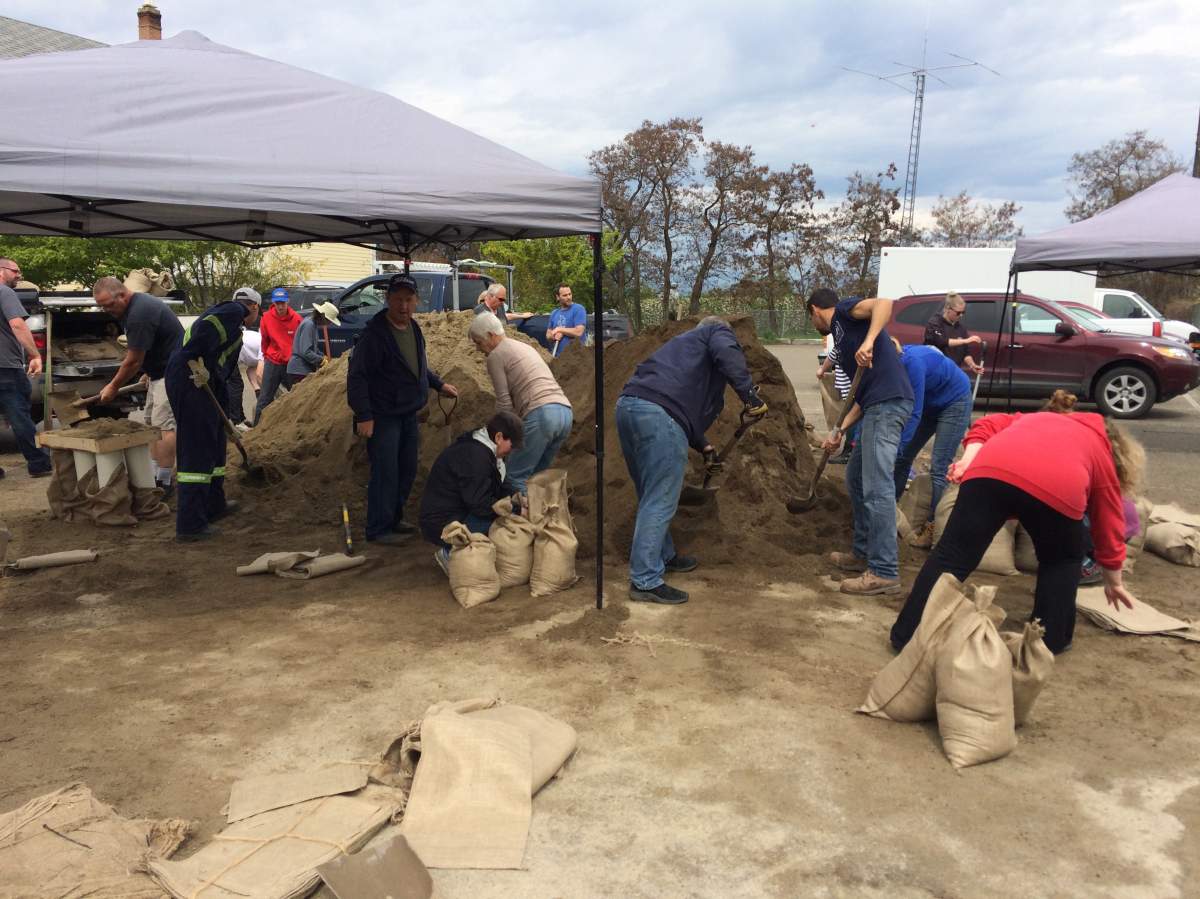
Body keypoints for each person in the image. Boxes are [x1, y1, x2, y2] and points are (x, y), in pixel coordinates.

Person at [890, 390, 1144, 655]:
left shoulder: (1031, 419)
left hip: (987, 473)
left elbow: (985, 424)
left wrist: (969, 457)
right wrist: (1113, 580)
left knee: (950, 557)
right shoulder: (1099, 445)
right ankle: (1048, 642)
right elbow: (1109, 523)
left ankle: (905, 635)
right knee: (1061, 561)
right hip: (1057, 489)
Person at [617, 316, 767, 604]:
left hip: (629, 407)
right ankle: (645, 580)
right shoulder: (716, 331)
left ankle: (664, 555)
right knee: (660, 498)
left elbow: (680, 403)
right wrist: (751, 397)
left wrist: (704, 445)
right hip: (659, 414)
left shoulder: (682, 354)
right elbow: (725, 352)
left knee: (650, 493)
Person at [807, 288, 914, 596]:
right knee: (855, 478)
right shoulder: (841, 337)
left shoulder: (843, 311)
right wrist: (839, 429)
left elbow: (884, 303)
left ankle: (884, 570)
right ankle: (863, 551)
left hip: (889, 403)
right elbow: (861, 398)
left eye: (812, 319)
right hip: (874, 405)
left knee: (877, 486)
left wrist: (869, 341)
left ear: (815, 310)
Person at [347, 273, 459, 545]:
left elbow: (417, 367)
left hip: (408, 412)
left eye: (409, 300)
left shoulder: (414, 328)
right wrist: (364, 415)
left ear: (417, 301)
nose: (404, 306)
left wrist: (438, 384)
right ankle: (378, 528)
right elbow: (357, 376)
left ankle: (394, 518)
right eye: (398, 300)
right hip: (383, 414)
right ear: (388, 300)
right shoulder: (375, 335)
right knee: (385, 471)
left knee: (406, 469)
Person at [165, 287, 260, 541]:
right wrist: (193, 357)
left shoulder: (236, 330)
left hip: (205, 382)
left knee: (215, 442)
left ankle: (214, 505)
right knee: (196, 450)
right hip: (190, 379)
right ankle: (190, 524)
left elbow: (223, 372)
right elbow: (204, 332)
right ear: (254, 307)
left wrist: (226, 413)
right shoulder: (233, 310)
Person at [92, 276, 186, 493]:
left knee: (164, 427)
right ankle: (153, 475)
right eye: (101, 307)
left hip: (173, 373)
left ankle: (163, 482)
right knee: (153, 425)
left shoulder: (139, 314)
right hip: (159, 372)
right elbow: (151, 345)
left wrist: (113, 386)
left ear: (122, 295)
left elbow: (133, 360)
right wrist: (148, 372)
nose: (106, 310)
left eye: (109, 305)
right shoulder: (133, 307)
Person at [468, 311, 573, 493]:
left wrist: (494, 438)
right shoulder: (524, 347)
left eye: (479, 342)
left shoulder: (496, 356)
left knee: (514, 478)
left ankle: (520, 521)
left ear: (491, 336)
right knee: (535, 478)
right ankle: (538, 519)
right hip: (564, 413)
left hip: (542, 415)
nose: (478, 349)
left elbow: (504, 405)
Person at [419, 410, 525, 574]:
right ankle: (449, 552)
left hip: (458, 509)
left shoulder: (485, 450)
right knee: (501, 523)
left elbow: (497, 483)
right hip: (441, 522)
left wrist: (516, 495)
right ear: (498, 437)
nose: (512, 450)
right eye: (512, 445)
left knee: (504, 519)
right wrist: (515, 510)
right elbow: (479, 504)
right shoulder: (475, 457)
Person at [891, 342, 973, 548]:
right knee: (902, 458)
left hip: (955, 402)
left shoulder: (912, 364)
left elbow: (913, 412)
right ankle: (889, 509)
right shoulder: (894, 364)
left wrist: (899, 444)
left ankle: (933, 528)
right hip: (931, 402)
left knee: (939, 468)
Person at [0, 257, 51, 479]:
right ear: (1, 270)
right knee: (20, 416)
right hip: (5, 368)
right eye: (16, 271)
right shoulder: (5, 292)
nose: (19, 275)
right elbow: (18, 324)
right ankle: (39, 464)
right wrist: (34, 354)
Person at [254, 287, 300, 424]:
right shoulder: (266, 318)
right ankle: (256, 429)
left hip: (290, 364)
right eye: (277, 303)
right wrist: (266, 357)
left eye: (283, 303)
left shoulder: (297, 319)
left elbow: (299, 344)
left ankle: (296, 426)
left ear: (288, 302)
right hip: (273, 362)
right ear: (274, 303)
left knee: (298, 396)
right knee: (264, 398)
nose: (280, 306)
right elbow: (265, 341)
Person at [924, 291, 984, 373]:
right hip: (935, 370)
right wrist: (966, 340)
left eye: (963, 312)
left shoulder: (961, 328)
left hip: (953, 371)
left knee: (964, 384)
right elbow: (941, 341)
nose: (961, 315)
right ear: (948, 309)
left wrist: (972, 365)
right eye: (958, 313)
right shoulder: (935, 322)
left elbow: (966, 352)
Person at [287, 301, 341, 382]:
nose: (329, 323)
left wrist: (322, 356)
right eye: (329, 321)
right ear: (323, 316)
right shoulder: (309, 325)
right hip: (299, 370)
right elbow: (306, 352)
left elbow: (313, 347)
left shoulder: (312, 324)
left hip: (302, 370)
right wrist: (321, 360)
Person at [233, 328, 263, 431]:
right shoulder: (265, 346)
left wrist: (257, 390)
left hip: (237, 347)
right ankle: (236, 422)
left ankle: (241, 418)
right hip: (231, 350)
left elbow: (251, 370)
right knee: (235, 385)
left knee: (237, 384)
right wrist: (265, 394)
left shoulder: (259, 349)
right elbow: (259, 374)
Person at [546, 283, 587, 358]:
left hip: (576, 358)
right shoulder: (554, 313)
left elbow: (579, 332)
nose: (568, 297)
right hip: (558, 358)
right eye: (565, 295)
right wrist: (554, 336)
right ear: (558, 297)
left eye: (570, 294)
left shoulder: (578, 309)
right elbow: (548, 334)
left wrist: (560, 330)